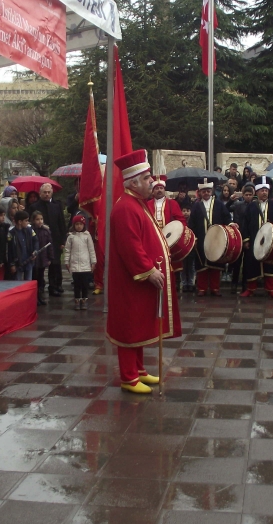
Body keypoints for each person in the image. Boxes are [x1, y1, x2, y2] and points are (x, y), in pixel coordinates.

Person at [106, 150, 180, 394]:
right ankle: (128, 377)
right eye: (147, 178)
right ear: (134, 182)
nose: (152, 181)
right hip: (132, 281)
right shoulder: (126, 207)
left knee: (139, 325)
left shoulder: (136, 203)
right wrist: (148, 271)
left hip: (139, 281)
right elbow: (130, 246)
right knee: (129, 326)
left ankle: (138, 371)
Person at [240, 176, 273, 299]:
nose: (264, 192)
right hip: (254, 240)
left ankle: (271, 289)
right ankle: (250, 289)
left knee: (270, 264)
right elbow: (245, 224)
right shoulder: (251, 207)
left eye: (266, 190)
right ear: (257, 192)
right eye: (262, 190)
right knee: (251, 264)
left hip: (270, 241)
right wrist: (246, 239)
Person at [187, 179, 229, 296]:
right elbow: (192, 224)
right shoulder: (196, 206)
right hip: (201, 239)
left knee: (215, 264)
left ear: (212, 191)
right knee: (201, 264)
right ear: (200, 192)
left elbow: (226, 218)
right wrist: (194, 238)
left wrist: (231, 226)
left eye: (208, 191)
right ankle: (202, 288)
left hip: (216, 240)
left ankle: (215, 288)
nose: (206, 193)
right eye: (204, 191)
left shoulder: (219, 204)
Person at [29, 183, 67, 297]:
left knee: (55, 264)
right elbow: (31, 223)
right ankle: (39, 288)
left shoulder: (57, 205)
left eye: (48, 192)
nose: (46, 194)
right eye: (44, 192)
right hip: (40, 240)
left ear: (52, 193)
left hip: (54, 239)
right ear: (40, 193)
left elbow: (61, 223)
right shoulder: (34, 207)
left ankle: (54, 286)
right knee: (39, 266)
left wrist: (62, 240)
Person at [65, 214, 97, 310]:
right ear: (74, 225)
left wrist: (93, 262)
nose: (79, 226)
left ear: (84, 225)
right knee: (77, 284)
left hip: (85, 265)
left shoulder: (87, 236)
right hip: (75, 265)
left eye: (80, 224)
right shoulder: (71, 237)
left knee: (85, 284)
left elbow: (91, 250)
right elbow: (67, 250)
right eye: (77, 224)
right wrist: (67, 262)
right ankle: (77, 300)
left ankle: (84, 300)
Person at [31, 211, 54, 306]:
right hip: (35, 259)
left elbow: (50, 245)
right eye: (37, 219)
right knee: (34, 278)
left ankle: (39, 297)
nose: (40, 221)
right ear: (33, 220)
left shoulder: (46, 231)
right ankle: (34, 297)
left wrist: (50, 258)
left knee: (40, 278)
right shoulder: (31, 231)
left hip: (43, 258)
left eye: (41, 219)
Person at [7, 210, 37, 281]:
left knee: (28, 282)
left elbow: (36, 241)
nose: (28, 222)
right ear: (20, 222)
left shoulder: (30, 230)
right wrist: (12, 264)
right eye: (26, 221)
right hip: (18, 263)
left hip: (29, 261)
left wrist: (35, 251)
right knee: (17, 283)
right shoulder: (11, 233)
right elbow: (9, 250)